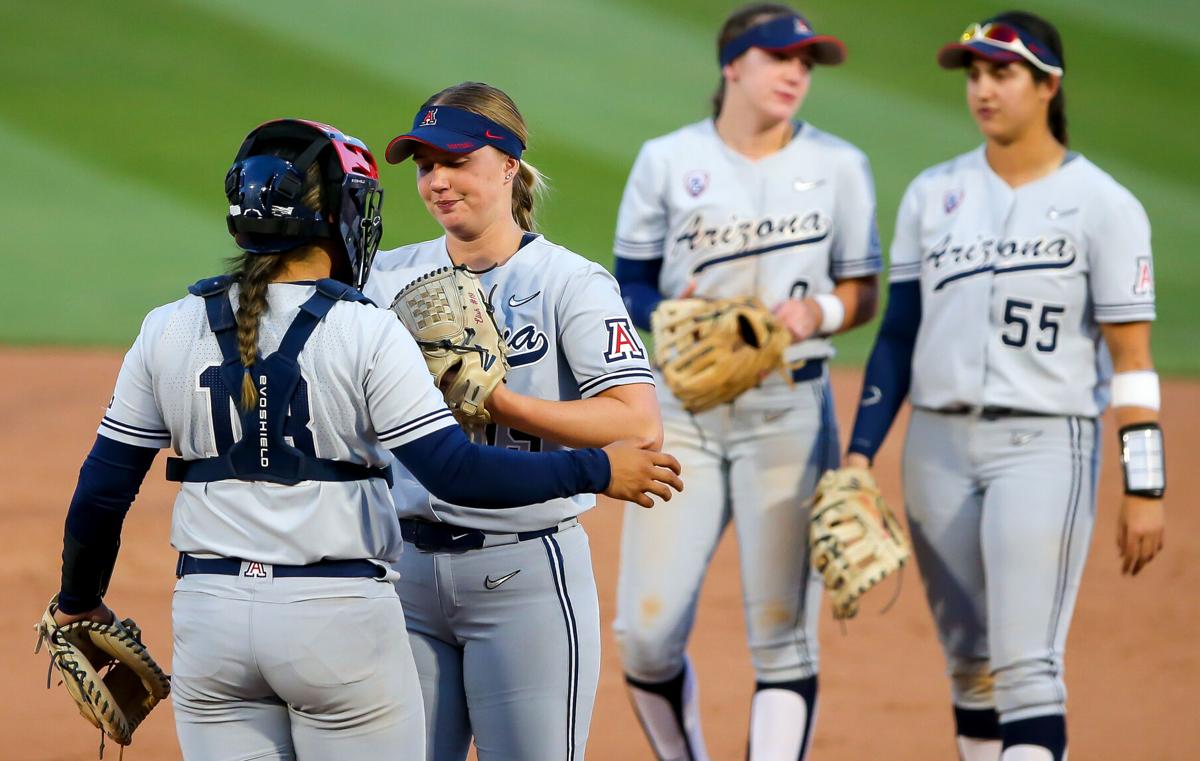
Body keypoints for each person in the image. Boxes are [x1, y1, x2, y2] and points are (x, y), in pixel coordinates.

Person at [48, 118, 682, 761]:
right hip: (339, 622)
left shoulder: (167, 327)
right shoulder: (367, 328)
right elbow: (455, 472)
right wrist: (595, 472)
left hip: (210, 623)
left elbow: (101, 492)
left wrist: (77, 602)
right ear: (341, 214)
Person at [845, 12, 1166, 761]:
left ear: (1049, 85)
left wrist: (1144, 486)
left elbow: (1134, 357)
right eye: (974, 74)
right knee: (970, 664)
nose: (983, 90)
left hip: (1045, 444)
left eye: (1003, 73)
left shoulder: (1105, 204)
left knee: (1027, 666)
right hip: (937, 448)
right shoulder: (935, 193)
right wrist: (862, 451)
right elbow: (899, 333)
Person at [609, 4, 882, 759]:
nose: (797, 73)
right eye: (781, 57)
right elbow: (627, 282)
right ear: (735, 64)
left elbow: (864, 290)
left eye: (808, 62)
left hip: (789, 408)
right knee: (645, 633)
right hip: (684, 412)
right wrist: (668, 313)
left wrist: (814, 311)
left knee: (782, 637)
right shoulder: (666, 159)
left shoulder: (840, 165)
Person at [364, 81, 665, 761]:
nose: (437, 181)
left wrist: (502, 403)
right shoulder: (383, 277)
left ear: (507, 164)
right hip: (402, 576)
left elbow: (637, 423)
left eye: (455, 160)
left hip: (523, 575)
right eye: (424, 165)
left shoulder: (570, 283)